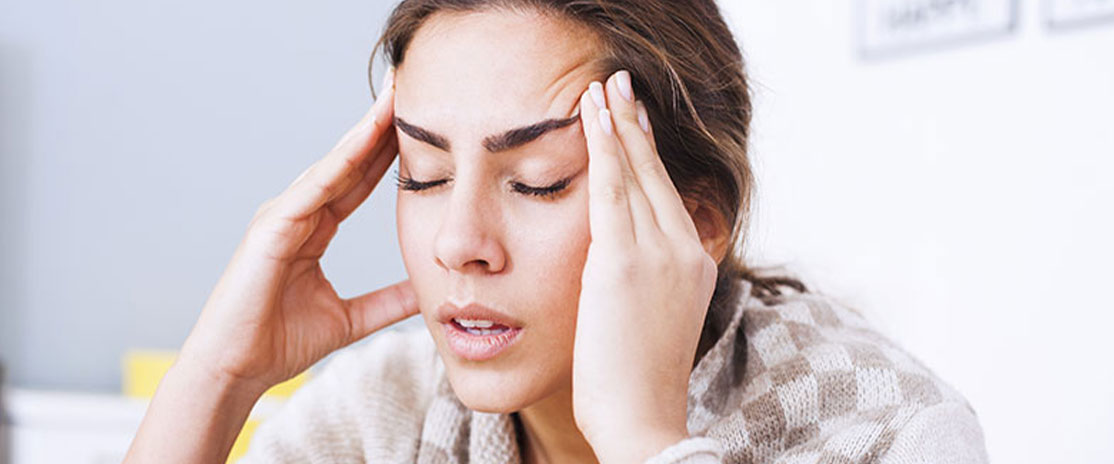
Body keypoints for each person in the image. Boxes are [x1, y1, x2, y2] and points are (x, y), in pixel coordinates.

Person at [123, 0, 988, 462]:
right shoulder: (383, 414)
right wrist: (217, 377)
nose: (459, 243)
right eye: (423, 174)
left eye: (538, 183)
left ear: (698, 221)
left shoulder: (887, 434)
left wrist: (643, 438)